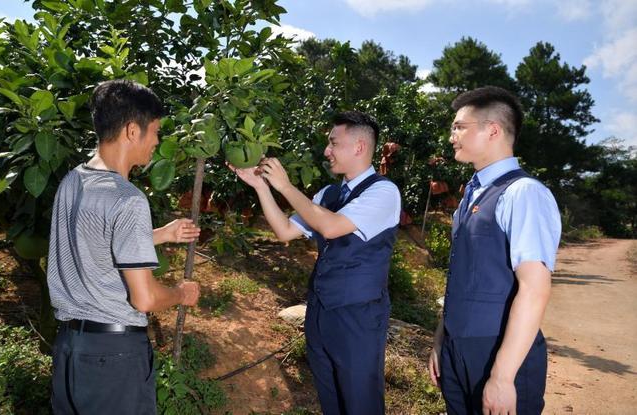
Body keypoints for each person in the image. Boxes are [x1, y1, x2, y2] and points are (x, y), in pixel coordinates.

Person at [231, 111, 401, 414]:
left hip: (358, 315)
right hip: (321, 310)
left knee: (360, 400)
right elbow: (285, 230)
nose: (327, 151)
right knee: (330, 398)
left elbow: (332, 227)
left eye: (334, 143)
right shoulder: (329, 193)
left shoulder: (384, 191)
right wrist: (261, 187)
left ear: (359, 147)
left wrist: (285, 187)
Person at [48, 79, 200, 414]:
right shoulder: (128, 199)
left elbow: (94, 241)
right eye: (155, 131)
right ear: (133, 131)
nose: (157, 142)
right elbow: (144, 299)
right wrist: (180, 293)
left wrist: (161, 233)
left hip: (70, 350)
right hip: (113, 358)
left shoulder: (72, 181)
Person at [428, 86, 561, 415]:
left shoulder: (523, 193)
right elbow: (463, 276)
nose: (451, 136)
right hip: (458, 349)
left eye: (459, 127)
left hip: (499, 351)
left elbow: (534, 289)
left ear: (493, 130)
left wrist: (502, 377)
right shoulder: (472, 194)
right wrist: (441, 340)